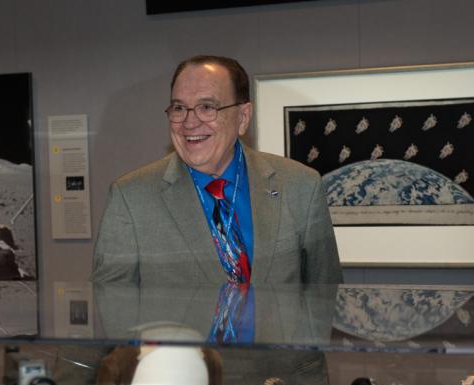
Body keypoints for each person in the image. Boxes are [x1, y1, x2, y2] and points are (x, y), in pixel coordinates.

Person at [92, 54, 342, 285]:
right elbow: (113, 311)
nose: (189, 122)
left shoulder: (300, 186)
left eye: (207, 107)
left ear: (243, 117)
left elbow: (327, 300)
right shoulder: (131, 198)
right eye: (179, 108)